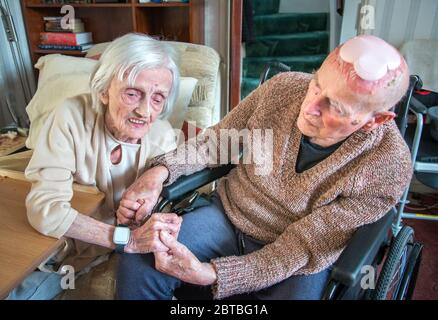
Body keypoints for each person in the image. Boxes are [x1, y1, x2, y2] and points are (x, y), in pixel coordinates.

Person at [116, 35, 413, 300]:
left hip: (298, 257)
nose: (308, 107)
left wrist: (214, 274)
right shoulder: (283, 90)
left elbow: (301, 247)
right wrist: (161, 171)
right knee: (140, 259)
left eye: (335, 106)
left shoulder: (388, 165)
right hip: (231, 217)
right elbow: (218, 142)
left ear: (375, 120)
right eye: (316, 84)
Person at [7, 33, 183, 300]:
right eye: (133, 93)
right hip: (61, 247)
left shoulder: (163, 136)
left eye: (158, 98)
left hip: (107, 253)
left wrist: (145, 210)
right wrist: (126, 238)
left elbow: (166, 211)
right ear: (103, 90)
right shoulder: (70, 117)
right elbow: (45, 210)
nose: (145, 111)